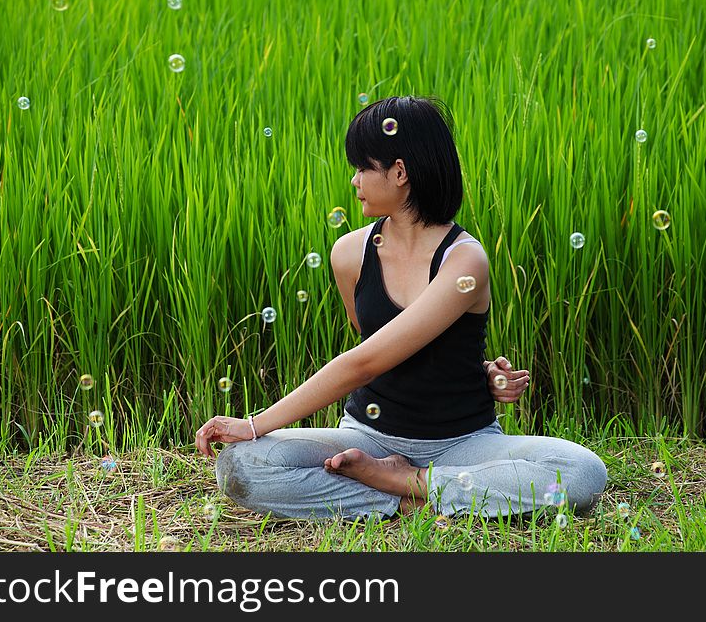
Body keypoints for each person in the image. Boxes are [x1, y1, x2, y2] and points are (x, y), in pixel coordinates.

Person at [195, 96, 607, 521]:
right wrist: (479, 370)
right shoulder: (349, 253)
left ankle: (399, 482)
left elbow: (364, 362)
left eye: (362, 167)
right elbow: (387, 350)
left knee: (580, 473)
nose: (354, 181)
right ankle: (414, 496)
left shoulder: (464, 260)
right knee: (240, 467)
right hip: (368, 437)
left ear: (399, 172)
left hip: (462, 444)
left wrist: (255, 424)